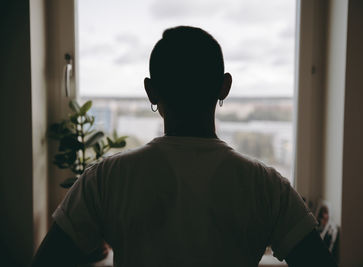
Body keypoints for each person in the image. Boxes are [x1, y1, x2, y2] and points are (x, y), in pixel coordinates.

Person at [32, 26, 337, 267]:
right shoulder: (268, 186)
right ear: (224, 86)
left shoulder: (104, 179)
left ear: (151, 92)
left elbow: (48, 260)